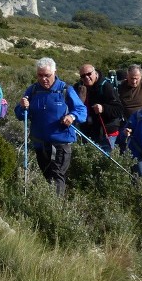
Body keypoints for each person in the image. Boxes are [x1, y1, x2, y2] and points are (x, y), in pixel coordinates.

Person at [15, 58, 87, 196]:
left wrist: (72, 117)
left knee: (57, 176)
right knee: (48, 176)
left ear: (54, 72)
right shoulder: (33, 90)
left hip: (61, 143)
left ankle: (56, 209)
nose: (43, 79)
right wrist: (23, 107)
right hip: (40, 144)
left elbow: (81, 110)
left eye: (47, 75)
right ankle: (53, 204)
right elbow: (20, 114)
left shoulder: (65, 90)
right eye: (40, 75)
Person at [74, 63, 124, 154]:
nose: (86, 77)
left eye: (89, 74)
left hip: (106, 132)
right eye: (83, 76)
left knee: (106, 162)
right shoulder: (79, 87)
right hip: (87, 132)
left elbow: (119, 109)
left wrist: (103, 108)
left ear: (95, 72)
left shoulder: (106, 86)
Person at [116, 64, 142, 154]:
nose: (134, 81)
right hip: (124, 124)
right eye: (132, 78)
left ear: (141, 77)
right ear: (127, 76)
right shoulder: (120, 87)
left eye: (137, 79)